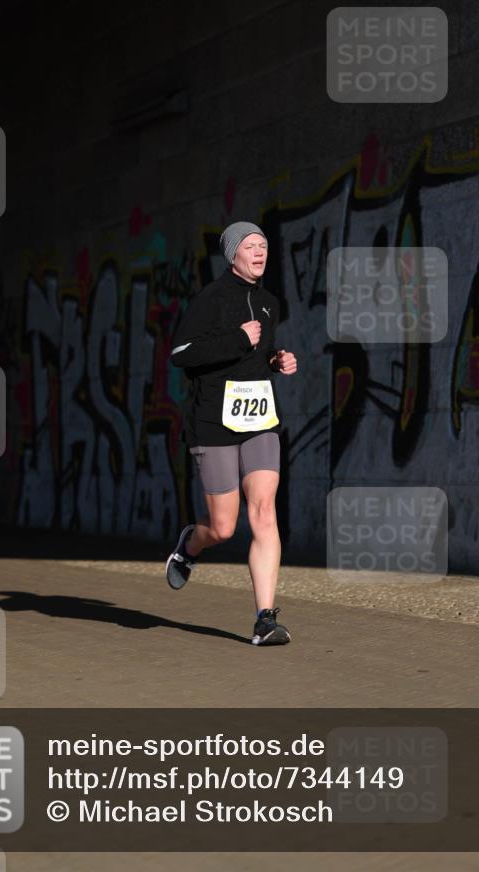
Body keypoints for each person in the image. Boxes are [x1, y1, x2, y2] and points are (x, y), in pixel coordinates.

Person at [166, 221, 298, 645]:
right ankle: (191, 544)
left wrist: (276, 360)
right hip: (213, 422)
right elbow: (180, 354)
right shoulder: (210, 300)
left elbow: (257, 357)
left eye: (263, 245)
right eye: (250, 246)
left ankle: (265, 619)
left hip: (259, 420)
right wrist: (236, 339)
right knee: (222, 528)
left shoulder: (269, 303)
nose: (260, 252)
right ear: (233, 254)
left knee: (263, 512)